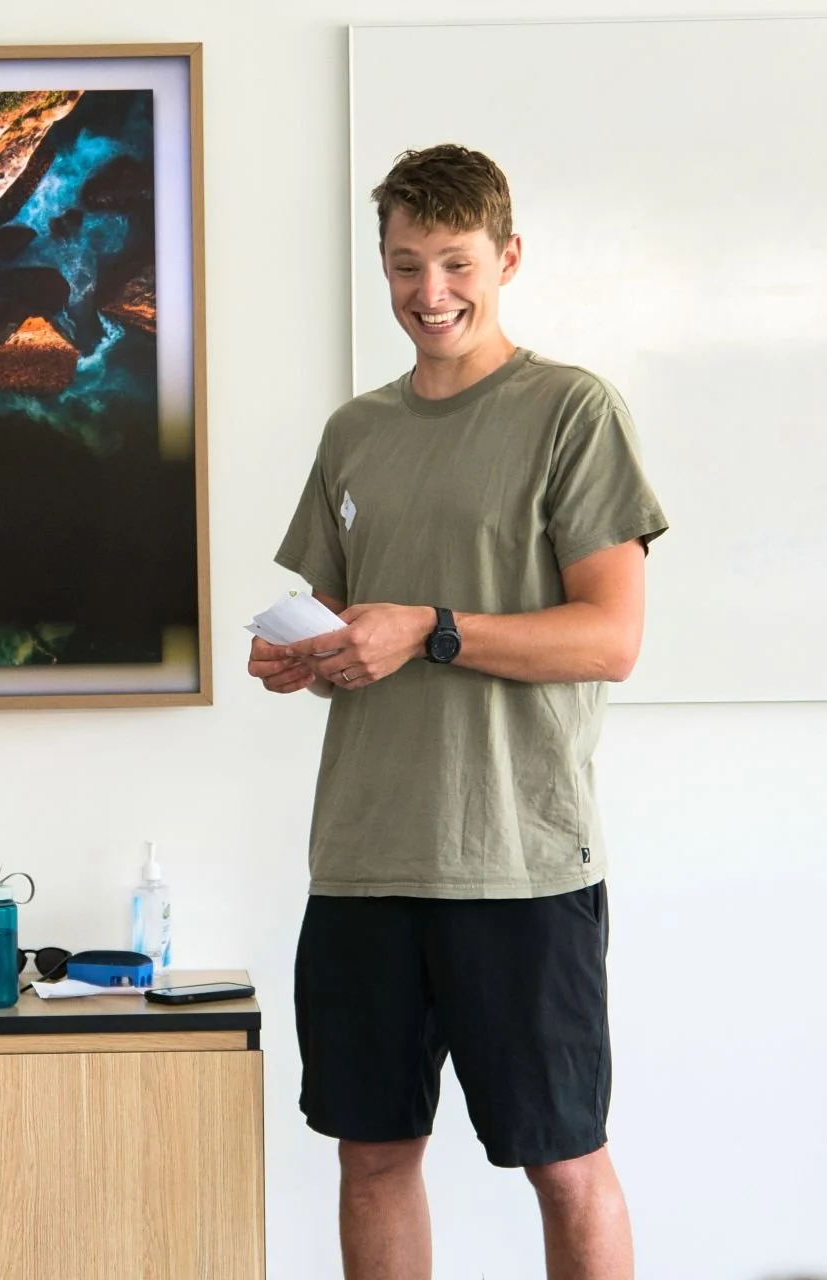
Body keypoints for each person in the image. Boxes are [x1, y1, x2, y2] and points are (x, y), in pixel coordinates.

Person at [251, 145, 667, 1280]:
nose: (428, 293)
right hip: (363, 861)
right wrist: (300, 650)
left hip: (519, 863)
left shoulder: (571, 410)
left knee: (564, 1160)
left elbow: (610, 636)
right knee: (372, 1155)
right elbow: (335, 608)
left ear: (507, 258)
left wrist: (431, 626)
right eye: (403, 265)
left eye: (453, 263)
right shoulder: (356, 431)